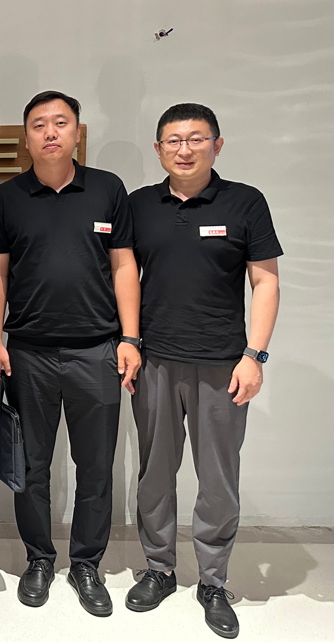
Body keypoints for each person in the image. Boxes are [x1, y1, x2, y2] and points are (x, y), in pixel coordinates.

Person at [0, 91, 141, 617]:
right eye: (38, 124)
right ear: (26, 137)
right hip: (28, 353)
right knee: (31, 464)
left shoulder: (108, 189)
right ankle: (39, 559)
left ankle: (86, 564)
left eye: (60, 123)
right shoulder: (6, 198)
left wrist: (130, 338)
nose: (50, 132)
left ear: (76, 132)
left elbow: (124, 265)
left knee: (96, 466)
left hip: (98, 351)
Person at [125, 104, 281, 639]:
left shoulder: (245, 201)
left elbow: (265, 282)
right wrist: (129, 343)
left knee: (218, 479)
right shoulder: (139, 206)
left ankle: (213, 581)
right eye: (173, 140)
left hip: (223, 366)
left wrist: (255, 356)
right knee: (154, 472)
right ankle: (158, 568)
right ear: (158, 149)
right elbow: (123, 277)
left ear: (217, 144)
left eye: (196, 138)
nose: (184, 149)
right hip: (155, 362)